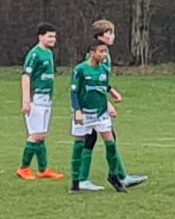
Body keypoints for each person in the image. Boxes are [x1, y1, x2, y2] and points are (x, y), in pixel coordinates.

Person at [88, 18, 146, 188]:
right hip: (92, 104)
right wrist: (107, 104)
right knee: (98, 139)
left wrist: (111, 91)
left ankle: (116, 175)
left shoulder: (104, 53)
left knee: (94, 139)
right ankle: (116, 176)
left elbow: (102, 80)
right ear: (100, 36)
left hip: (96, 103)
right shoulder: (97, 55)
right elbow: (93, 83)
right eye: (110, 33)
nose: (113, 36)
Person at [17, 23, 65, 181]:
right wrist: (26, 100)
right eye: (49, 36)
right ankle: (23, 168)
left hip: (47, 99)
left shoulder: (49, 53)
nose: (53, 39)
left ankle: (43, 169)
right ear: (40, 37)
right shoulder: (34, 54)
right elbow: (26, 76)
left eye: (54, 36)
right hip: (36, 98)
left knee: (42, 135)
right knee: (35, 134)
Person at [68, 41, 117, 193]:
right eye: (101, 51)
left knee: (111, 143)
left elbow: (102, 86)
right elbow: (74, 92)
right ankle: (75, 181)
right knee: (79, 145)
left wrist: (112, 94)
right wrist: (77, 110)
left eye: (105, 52)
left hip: (101, 113)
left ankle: (114, 176)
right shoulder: (80, 69)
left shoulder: (104, 69)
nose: (104, 55)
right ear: (91, 53)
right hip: (84, 113)